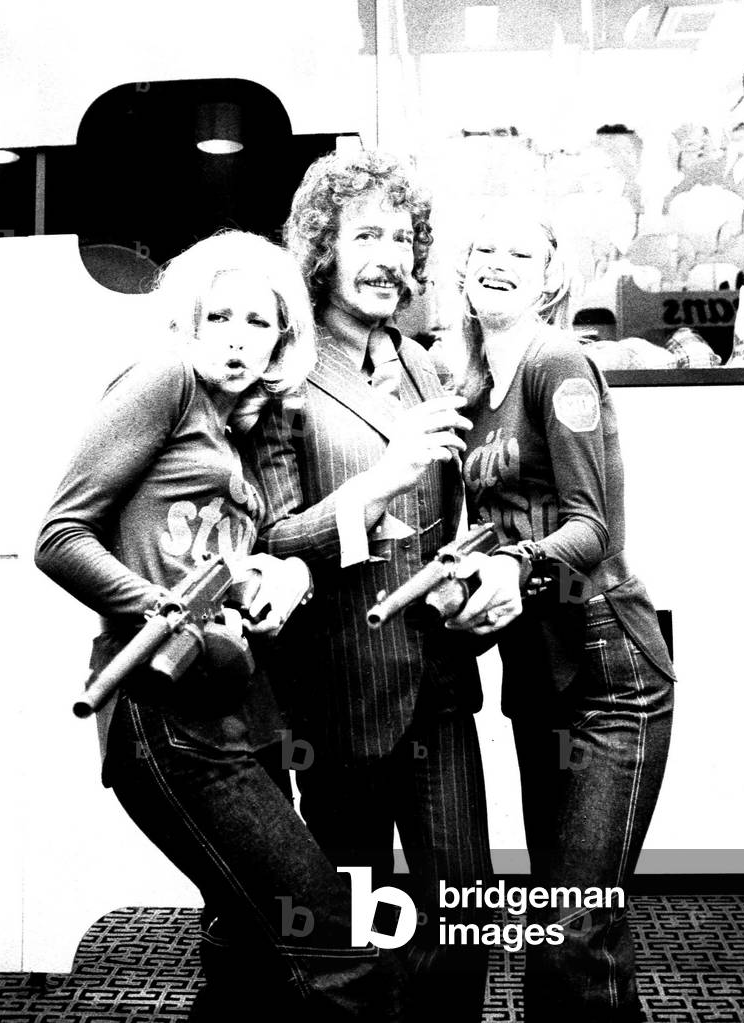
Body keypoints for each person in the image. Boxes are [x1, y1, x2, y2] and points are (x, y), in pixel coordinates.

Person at [34, 230, 405, 1022]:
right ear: (189, 323)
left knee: (247, 948)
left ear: (281, 339)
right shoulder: (164, 380)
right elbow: (60, 537)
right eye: (220, 317)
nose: (236, 337)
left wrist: (264, 576)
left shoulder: (238, 427)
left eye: (257, 321)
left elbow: (209, 547)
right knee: (333, 945)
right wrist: (167, 608)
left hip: (236, 701)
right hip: (164, 705)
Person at [249, 151, 507, 1021]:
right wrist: (382, 480)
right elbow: (274, 537)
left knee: (464, 914)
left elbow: (447, 513)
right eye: (366, 235)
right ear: (322, 248)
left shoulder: (425, 365)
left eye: (401, 239)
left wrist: (467, 577)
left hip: (437, 683)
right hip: (337, 694)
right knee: (353, 933)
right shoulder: (283, 374)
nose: (388, 257)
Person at [449, 205, 676, 1022]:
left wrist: (515, 563)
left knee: (575, 930)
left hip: (609, 666)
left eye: (520, 253)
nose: (496, 262)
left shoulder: (557, 362)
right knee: (565, 921)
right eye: (483, 248)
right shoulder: (473, 388)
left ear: (550, 278)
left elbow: (591, 526)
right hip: (537, 668)